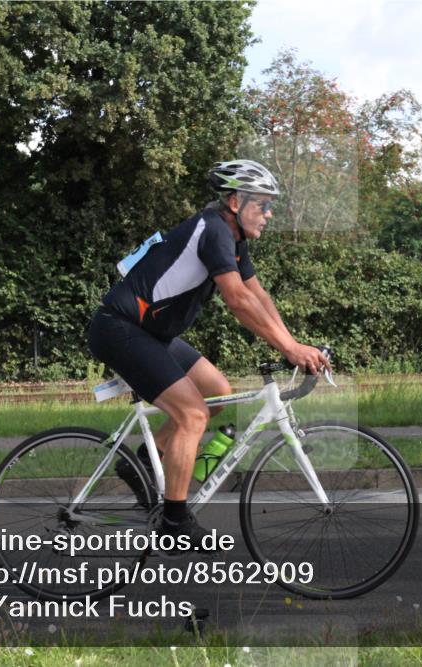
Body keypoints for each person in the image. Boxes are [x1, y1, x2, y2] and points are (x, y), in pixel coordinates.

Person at [87, 159, 331, 552]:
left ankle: (146, 466)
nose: (269, 215)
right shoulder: (214, 231)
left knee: (216, 393)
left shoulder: (233, 238)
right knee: (193, 414)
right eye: (262, 205)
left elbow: (257, 296)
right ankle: (174, 521)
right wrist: (288, 348)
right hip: (121, 328)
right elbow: (236, 301)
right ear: (235, 202)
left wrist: (294, 344)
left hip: (151, 333)